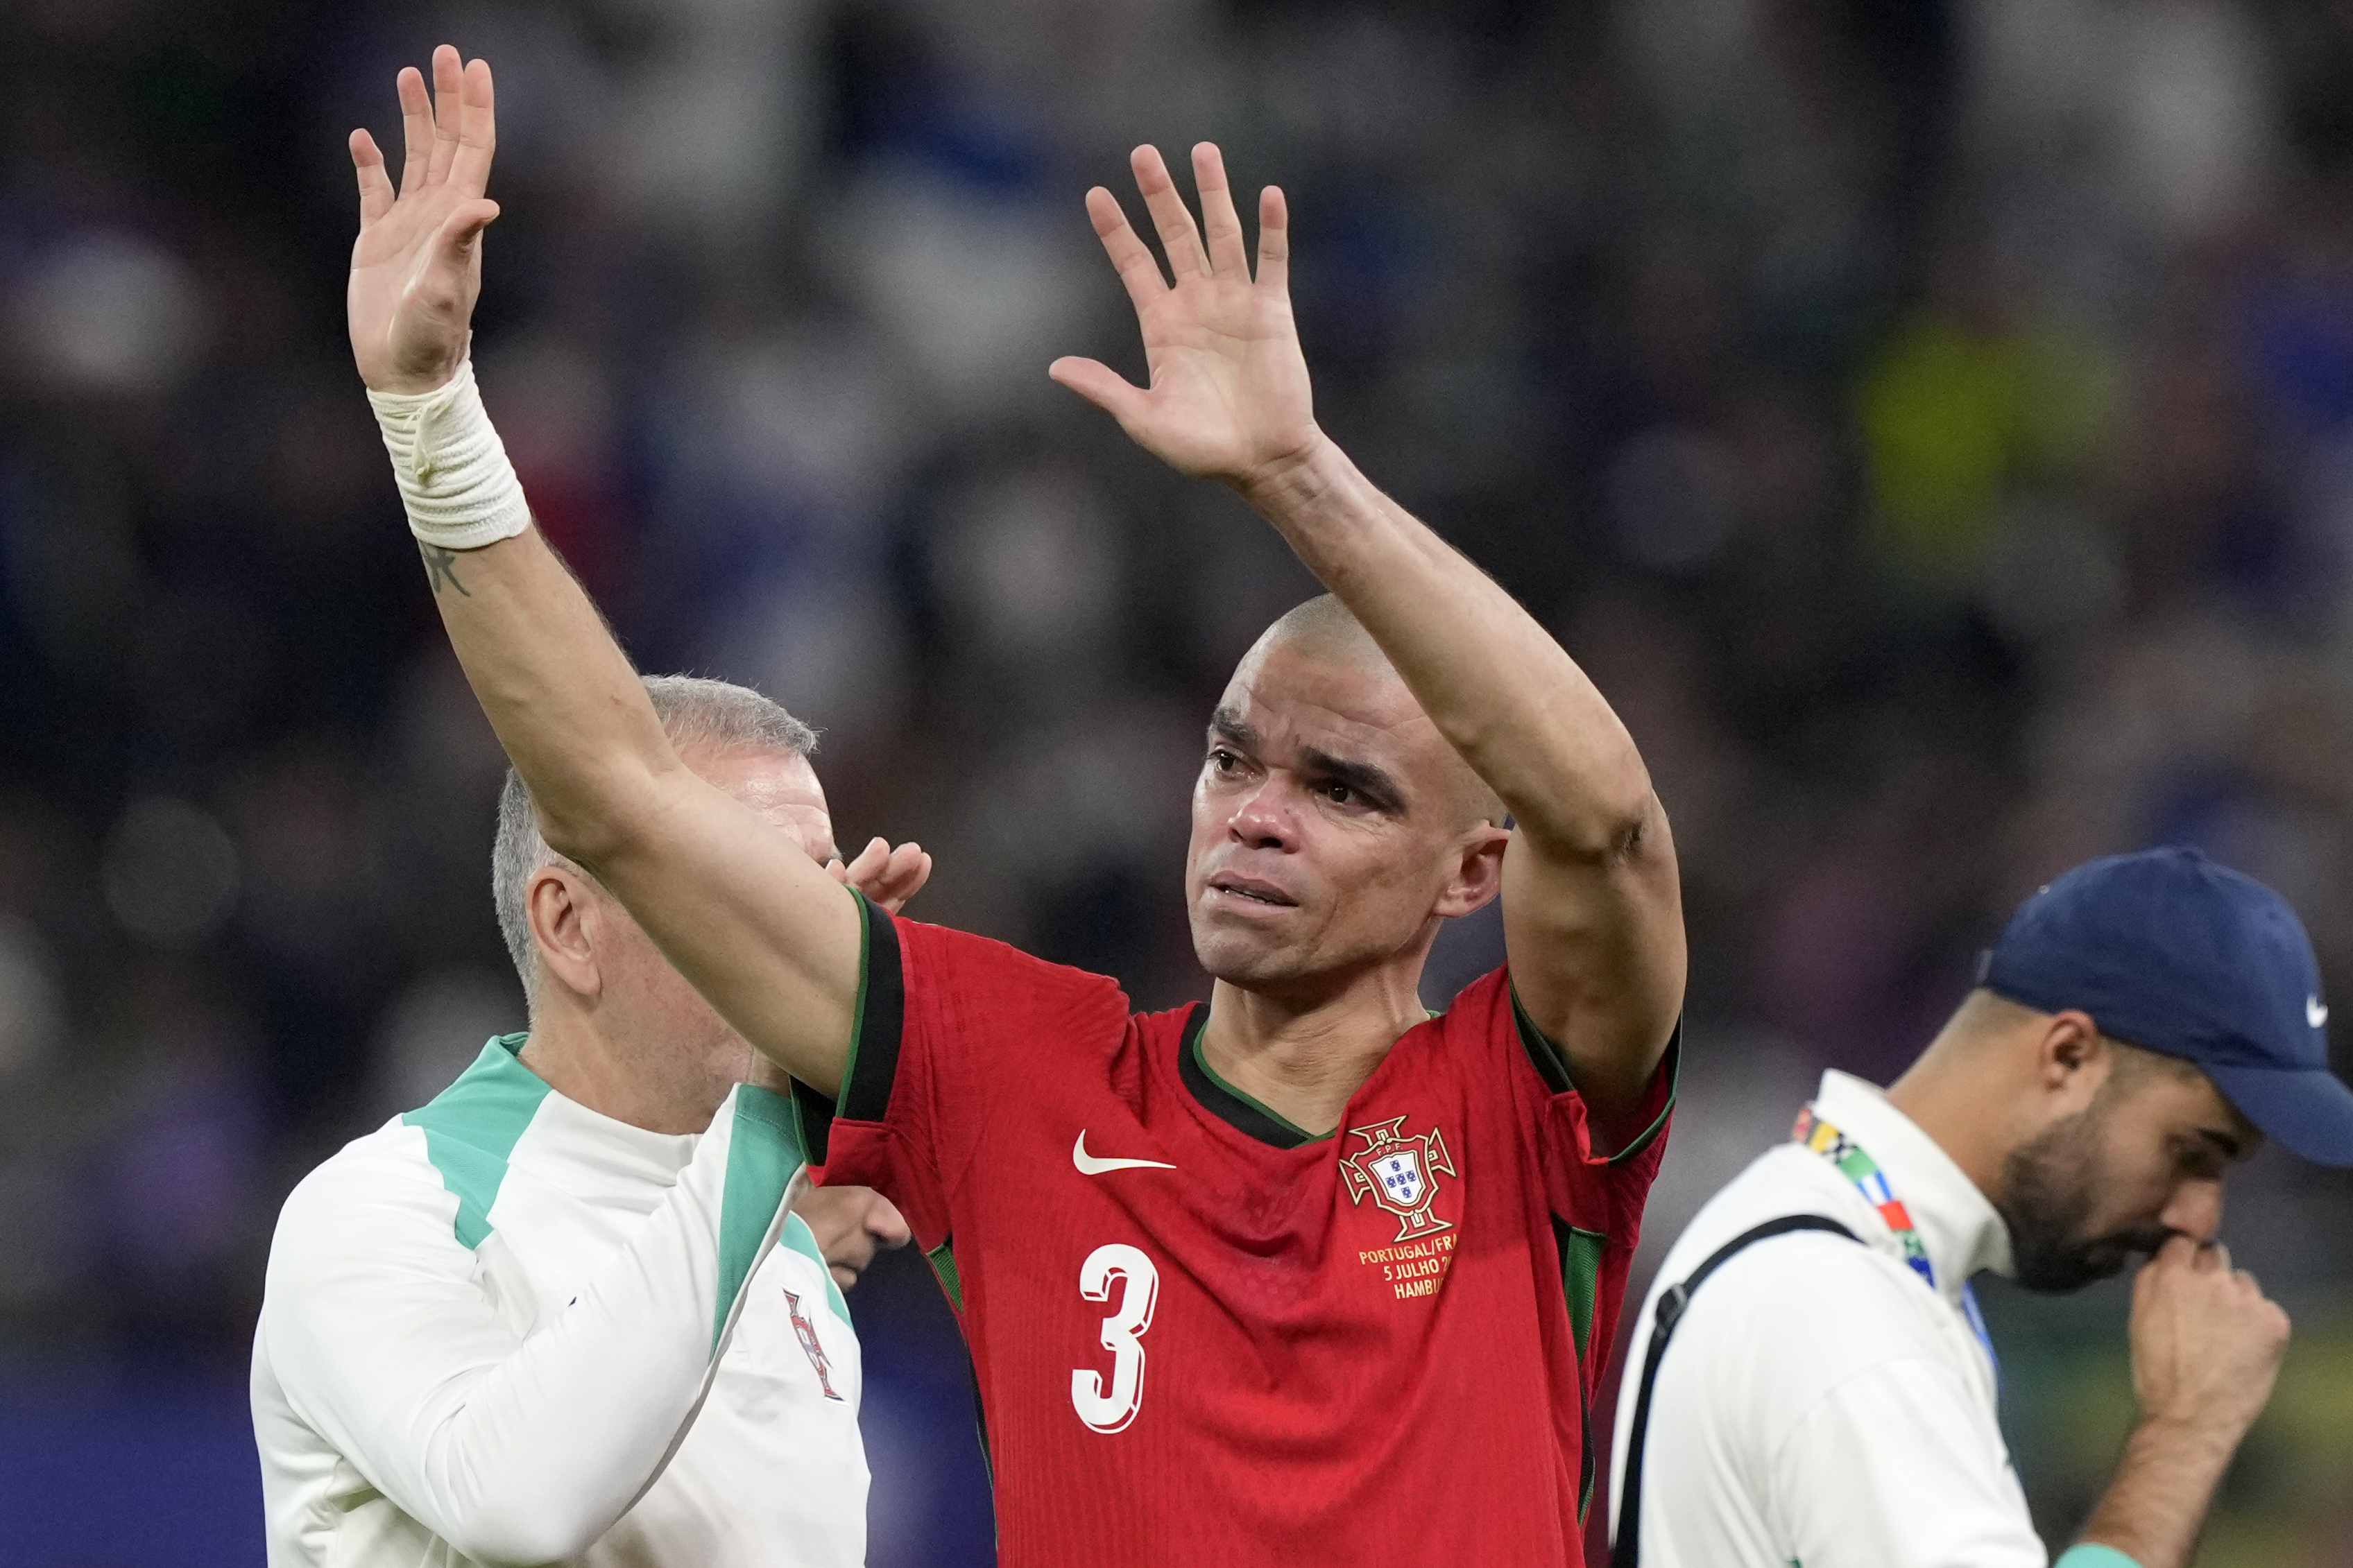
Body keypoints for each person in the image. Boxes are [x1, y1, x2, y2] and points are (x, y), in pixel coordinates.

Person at [340, 46, 1684, 1568]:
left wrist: (1299, 475)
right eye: (1231, 758)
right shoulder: (1017, 1070)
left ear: (1469, 871)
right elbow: (621, 793)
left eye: (1341, 789)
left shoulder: (1524, 1106)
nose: (1253, 813)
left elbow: (1612, 826)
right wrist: (427, 410)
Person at [250, 673, 924, 1567]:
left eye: (821, 890)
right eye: (753, 882)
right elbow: (508, 1503)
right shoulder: (384, 1205)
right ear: (568, 923)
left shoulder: (790, 1267)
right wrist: (769, 1109)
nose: (810, 933)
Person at [1609, 847, 2350, 1568]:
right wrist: (2187, 1428)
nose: (2196, 1218)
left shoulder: (1839, 1251)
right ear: (2066, 1056)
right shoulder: (1835, 1306)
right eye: (2190, 1152)